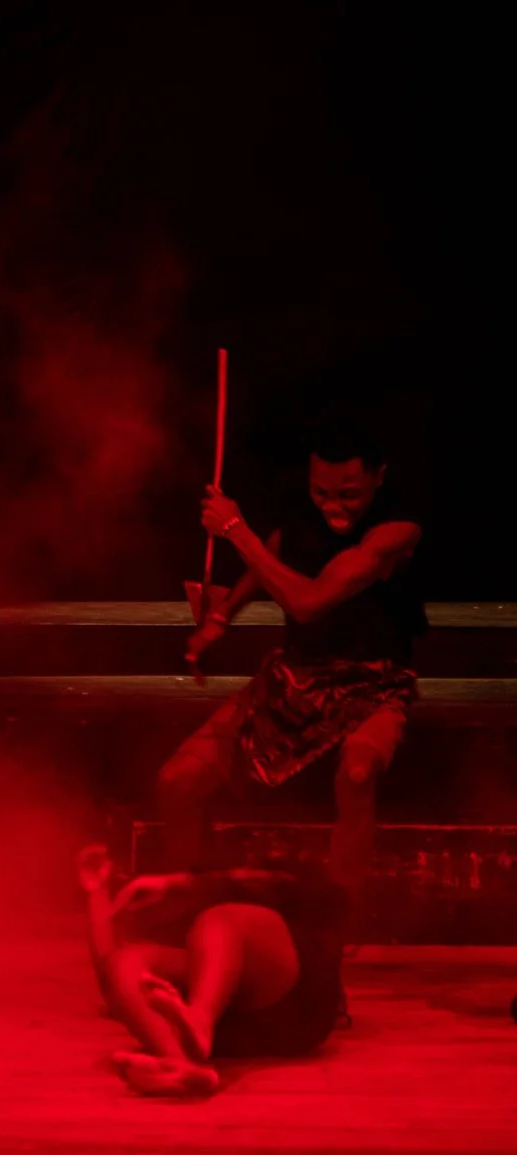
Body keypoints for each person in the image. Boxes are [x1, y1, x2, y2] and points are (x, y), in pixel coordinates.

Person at [167, 428, 423, 904]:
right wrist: (221, 617)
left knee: (358, 774)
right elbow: (278, 551)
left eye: (348, 495)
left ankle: (339, 918)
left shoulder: (396, 531)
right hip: (294, 678)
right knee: (177, 782)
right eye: (321, 493)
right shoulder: (300, 511)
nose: (332, 507)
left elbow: (308, 603)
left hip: (373, 684)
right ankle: (189, 907)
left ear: (378, 477)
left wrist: (234, 530)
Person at [78, 844, 347, 1097]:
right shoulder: (164, 921)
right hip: (233, 1030)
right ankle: (183, 1066)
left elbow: (286, 885)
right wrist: (97, 892)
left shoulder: (252, 883)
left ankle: (199, 1021)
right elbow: (112, 974)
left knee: (219, 920)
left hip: (294, 997)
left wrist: (178, 882)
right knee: (126, 962)